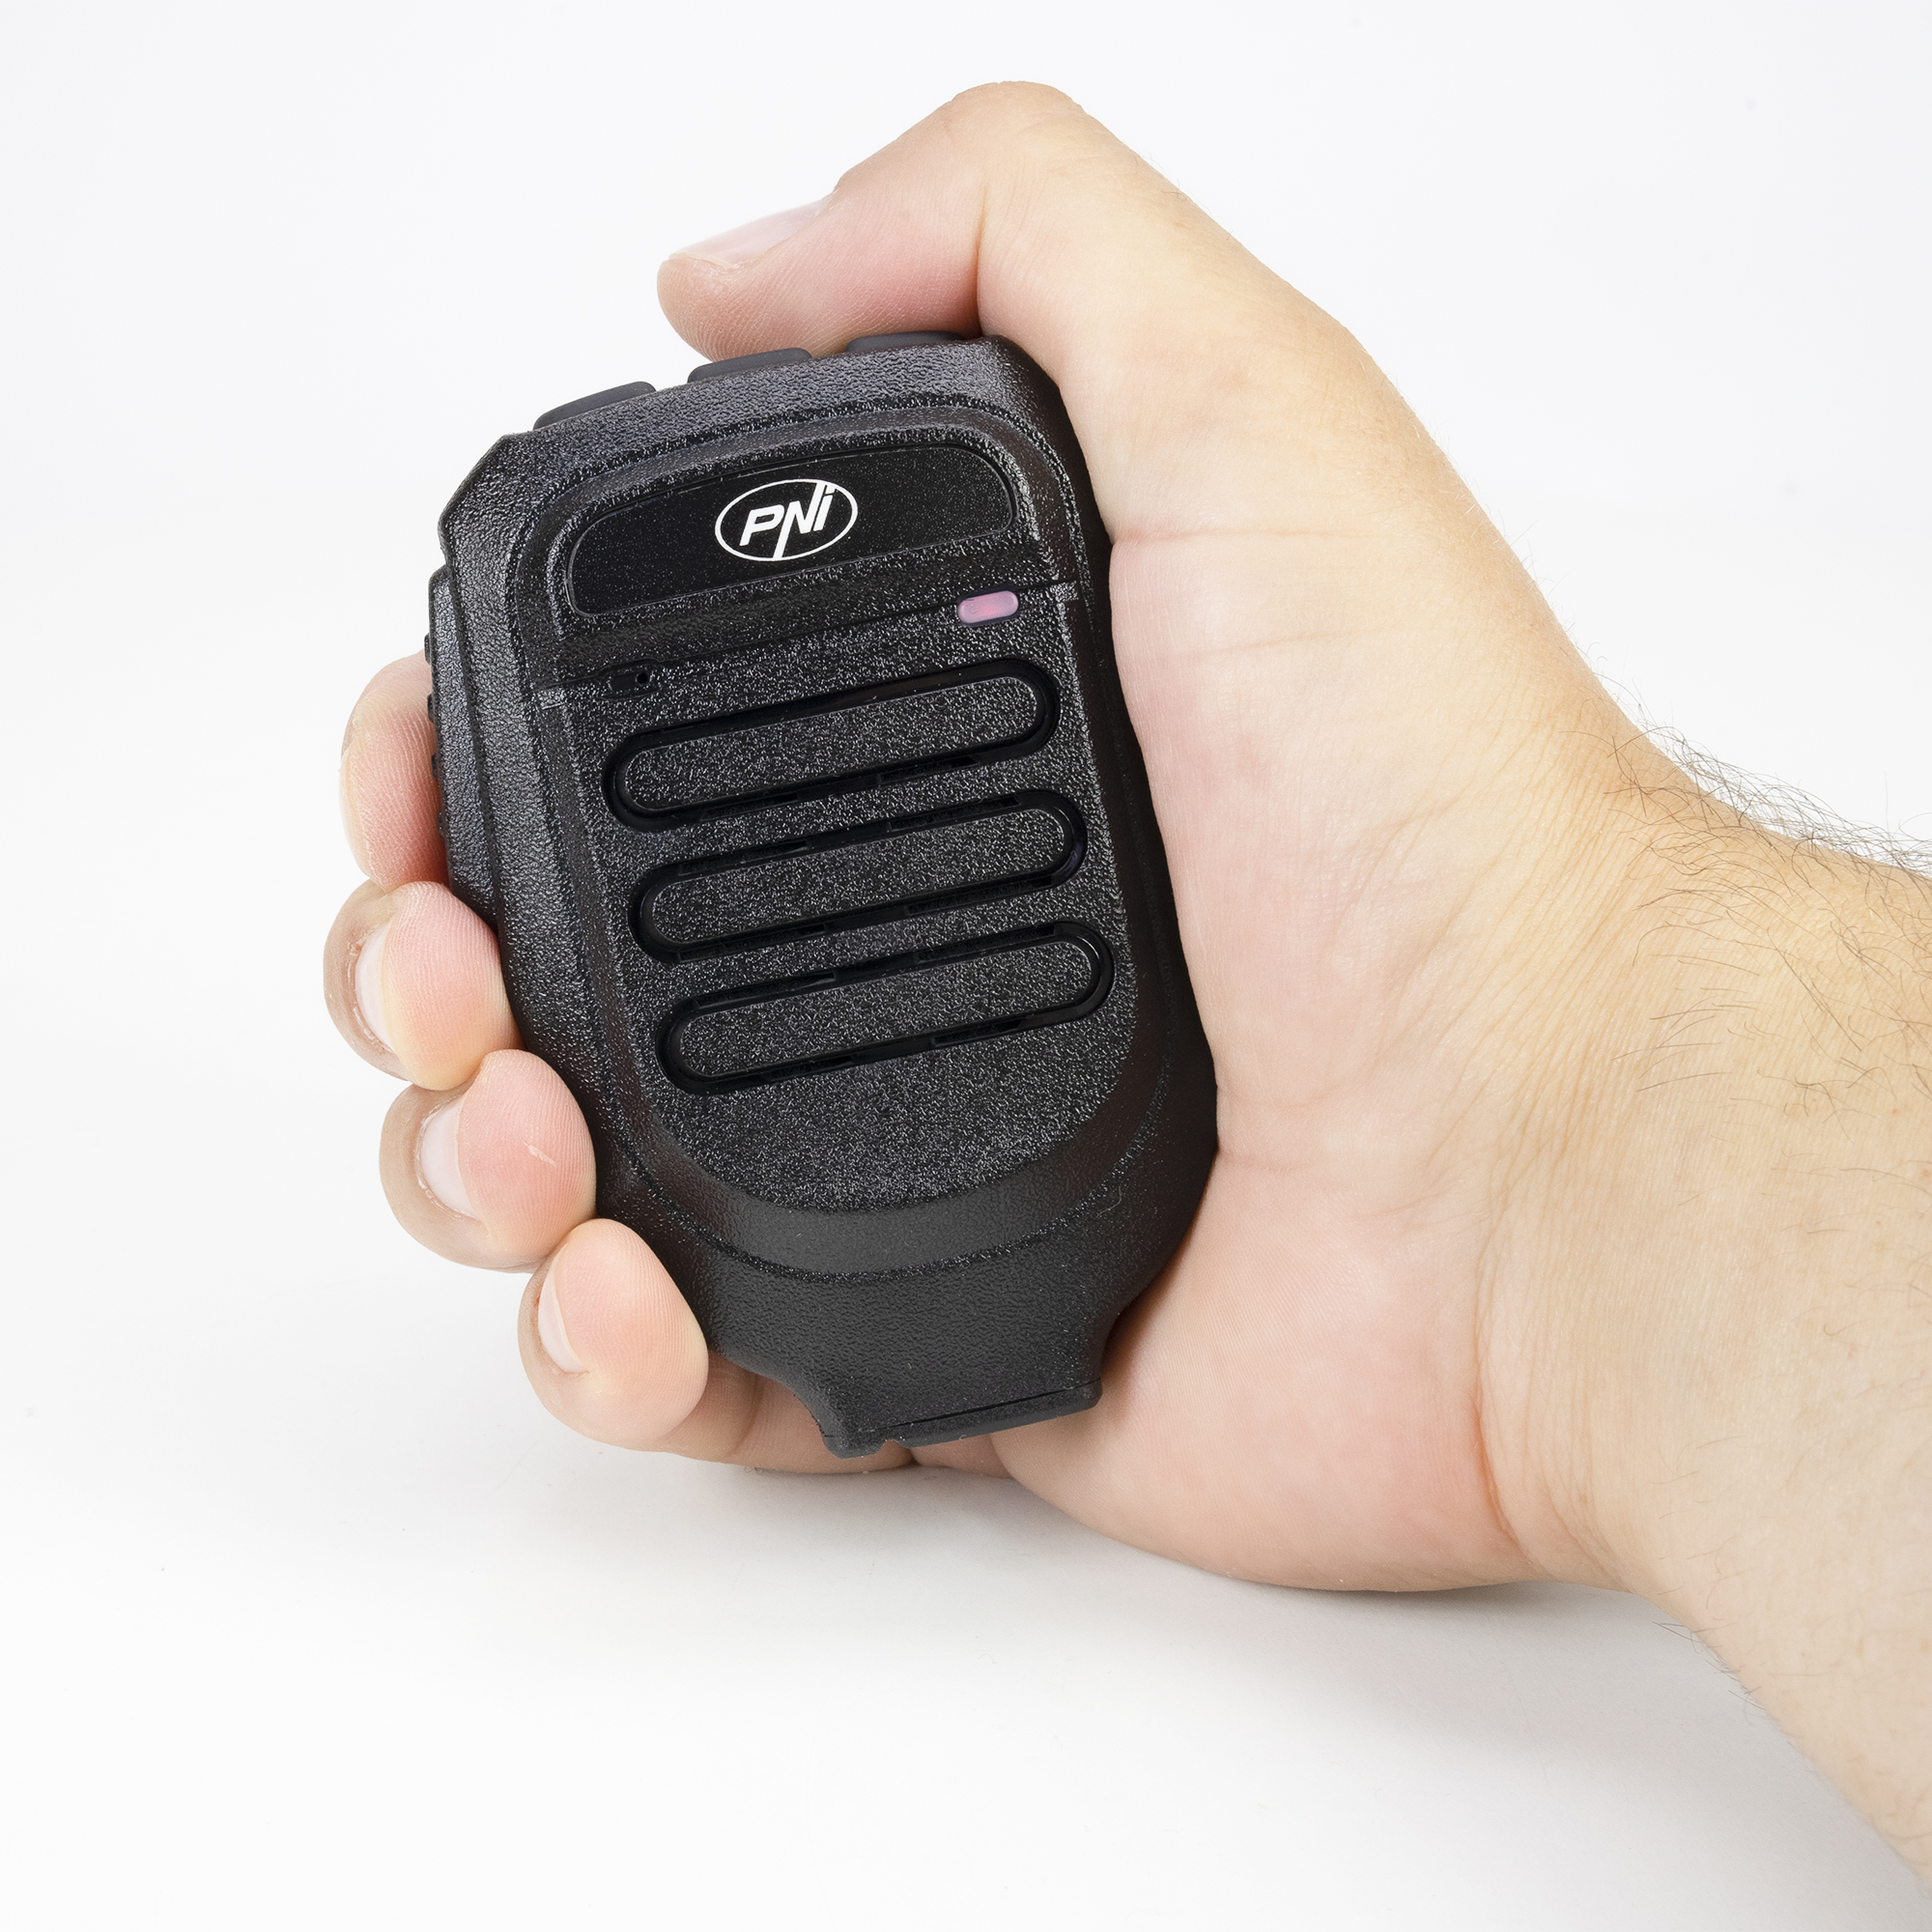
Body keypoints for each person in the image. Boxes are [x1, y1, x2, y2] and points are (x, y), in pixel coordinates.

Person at [325, 84, 1932, 1876]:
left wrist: (1547, 1122)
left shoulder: (596, 524)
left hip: (1066, 1218)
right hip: (974, 1228)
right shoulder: (960, 452)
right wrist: (1562, 1164)